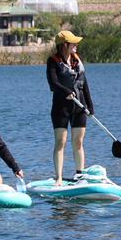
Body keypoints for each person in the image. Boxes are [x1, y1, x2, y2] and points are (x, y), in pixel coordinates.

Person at [47, 29, 94, 182]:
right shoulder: (53, 61)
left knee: (78, 141)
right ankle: (59, 178)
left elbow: (84, 84)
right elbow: (53, 84)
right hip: (61, 108)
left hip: (79, 106)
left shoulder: (76, 60)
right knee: (61, 142)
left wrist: (90, 106)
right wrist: (66, 91)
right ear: (64, 45)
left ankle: (79, 173)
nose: (76, 45)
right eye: (73, 43)